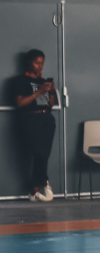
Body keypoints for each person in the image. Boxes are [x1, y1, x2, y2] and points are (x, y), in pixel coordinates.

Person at [12, 49, 58, 202]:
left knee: (44, 154)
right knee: (40, 153)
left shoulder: (43, 81)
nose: (40, 66)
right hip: (30, 119)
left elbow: (50, 105)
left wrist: (51, 91)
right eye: (37, 63)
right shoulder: (20, 81)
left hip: (47, 119)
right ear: (29, 62)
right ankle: (44, 182)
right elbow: (20, 103)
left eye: (42, 63)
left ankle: (34, 191)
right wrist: (39, 92)